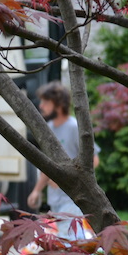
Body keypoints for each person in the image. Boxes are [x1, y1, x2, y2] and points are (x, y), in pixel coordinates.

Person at [26, 82, 100, 239]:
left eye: (46, 102)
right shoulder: (49, 129)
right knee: (70, 238)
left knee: (71, 238)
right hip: (55, 198)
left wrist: (67, 178)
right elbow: (48, 166)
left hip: (74, 198)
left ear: (59, 104)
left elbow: (94, 160)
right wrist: (37, 190)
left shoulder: (74, 127)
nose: (41, 106)